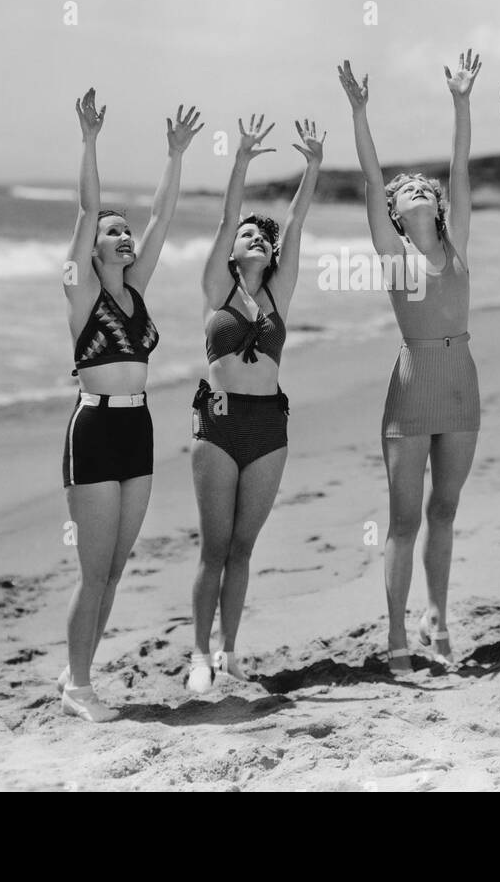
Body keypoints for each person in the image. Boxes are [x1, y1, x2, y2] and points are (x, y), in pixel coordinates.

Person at [60, 87, 202, 721]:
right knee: (94, 572)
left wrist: (175, 156)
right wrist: (90, 142)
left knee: (115, 568)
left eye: (125, 231)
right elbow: (88, 209)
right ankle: (79, 688)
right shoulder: (84, 295)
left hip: (138, 429)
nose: (122, 237)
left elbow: (163, 219)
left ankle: (77, 668)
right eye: (111, 233)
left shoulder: (136, 292)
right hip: (92, 431)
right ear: (92, 249)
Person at [336, 52, 481, 673]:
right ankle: (396, 633)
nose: (419, 188)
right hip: (414, 383)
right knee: (404, 519)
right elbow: (373, 179)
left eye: (427, 187)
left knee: (445, 509)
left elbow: (460, 167)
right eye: (407, 191)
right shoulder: (395, 256)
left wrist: (461, 101)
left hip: (461, 384)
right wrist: (359, 111)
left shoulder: (457, 242)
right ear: (396, 215)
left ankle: (438, 617)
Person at [187, 114, 325, 693]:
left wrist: (314, 165)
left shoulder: (279, 292)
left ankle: (230, 651)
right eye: (249, 236)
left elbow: (294, 223)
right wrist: (241, 160)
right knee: (213, 547)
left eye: (262, 238)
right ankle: (197, 654)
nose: (258, 240)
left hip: (269, 426)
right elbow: (226, 218)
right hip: (216, 423)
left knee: (243, 547)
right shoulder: (216, 291)